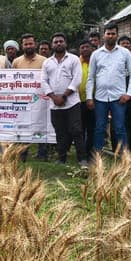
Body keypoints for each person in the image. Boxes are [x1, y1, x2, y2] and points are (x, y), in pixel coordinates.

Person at [86, 22, 131, 154]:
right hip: (100, 98)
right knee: (99, 127)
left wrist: (128, 94)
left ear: (117, 35)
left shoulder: (125, 53)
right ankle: (97, 156)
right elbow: (91, 77)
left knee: (119, 127)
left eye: (113, 34)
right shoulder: (96, 54)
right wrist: (89, 97)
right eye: (108, 33)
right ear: (104, 35)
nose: (110, 36)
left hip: (118, 98)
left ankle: (123, 156)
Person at [42, 32, 88, 167]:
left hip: (72, 102)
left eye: (61, 41)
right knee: (60, 131)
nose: (58, 43)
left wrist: (64, 96)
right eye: (55, 42)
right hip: (55, 104)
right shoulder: (47, 62)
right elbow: (43, 81)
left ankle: (82, 159)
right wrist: (53, 97)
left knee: (76, 131)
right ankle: (61, 158)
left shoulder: (73, 59)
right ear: (52, 45)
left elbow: (77, 79)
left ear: (65, 43)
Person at [14, 33, 49, 161]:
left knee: (41, 126)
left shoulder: (44, 61)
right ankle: (23, 154)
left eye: (30, 43)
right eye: (26, 44)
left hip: (40, 101)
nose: (28, 46)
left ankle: (42, 155)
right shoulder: (16, 62)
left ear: (35, 44)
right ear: (22, 46)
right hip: (23, 101)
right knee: (24, 127)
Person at [78, 40, 96, 158]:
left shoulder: (96, 62)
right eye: (82, 47)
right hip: (79, 101)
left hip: (95, 100)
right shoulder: (76, 63)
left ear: (92, 49)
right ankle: (81, 152)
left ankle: (90, 151)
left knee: (92, 128)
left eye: (87, 47)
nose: (85, 49)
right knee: (80, 128)